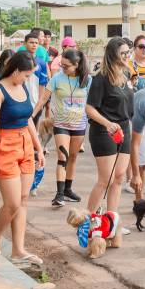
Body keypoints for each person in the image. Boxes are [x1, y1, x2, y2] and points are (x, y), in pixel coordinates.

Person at [0, 51, 45, 267]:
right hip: (5, 145)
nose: (28, 79)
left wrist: (38, 147)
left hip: (25, 145)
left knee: (23, 200)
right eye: (27, 75)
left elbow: (28, 118)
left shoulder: (22, 86)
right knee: (11, 203)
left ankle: (18, 250)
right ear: (16, 70)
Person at [32, 48, 91, 207]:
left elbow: (92, 104)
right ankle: (59, 194)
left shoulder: (87, 80)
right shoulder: (57, 78)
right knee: (62, 157)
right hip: (61, 124)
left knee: (73, 157)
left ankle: (68, 190)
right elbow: (43, 99)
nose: (62, 68)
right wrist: (31, 116)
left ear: (77, 65)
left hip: (79, 124)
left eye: (66, 66)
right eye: (61, 65)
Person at [85, 38, 134, 222]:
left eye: (128, 52)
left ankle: (111, 221)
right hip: (104, 131)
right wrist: (107, 123)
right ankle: (87, 221)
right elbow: (89, 108)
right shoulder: (101, 78)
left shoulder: (126, 74)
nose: (127, 56)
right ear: (113, 54)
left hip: (124, 128)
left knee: (119, 177)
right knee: (106, 179)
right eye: (123, 53)